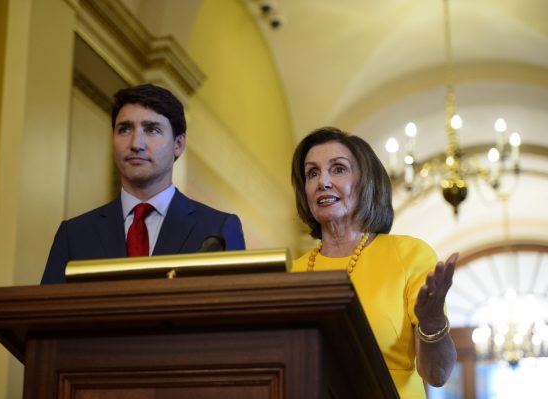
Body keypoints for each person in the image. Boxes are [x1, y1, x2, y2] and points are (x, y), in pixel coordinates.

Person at [290, 127, 457, 398]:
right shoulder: (290, 272)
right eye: (312, 173)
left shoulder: (410, 254)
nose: (323, 181)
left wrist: (432, 321)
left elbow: (438, 375)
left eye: (338, 169)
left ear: (365, 182)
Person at [41, 83, 246, 284]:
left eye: (152, 130)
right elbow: (47, 313)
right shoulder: (74, 234)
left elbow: (235, 312)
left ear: (178, 144)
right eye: (124, 129)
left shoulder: (217, 229)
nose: (135, 144)